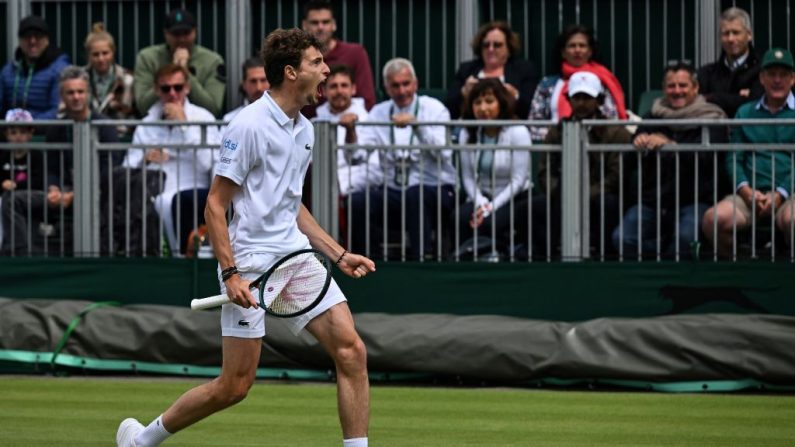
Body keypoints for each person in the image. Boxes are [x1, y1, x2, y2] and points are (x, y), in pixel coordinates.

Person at [116, 28, 374, 447]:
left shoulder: (305, 129)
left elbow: (292, 204)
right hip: (251, 263)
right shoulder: (248, 126)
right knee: (234, 386)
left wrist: (337, 253)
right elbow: (215, 206)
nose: (326, 69)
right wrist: (231, 273)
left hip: (296, 257)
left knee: (352, 352)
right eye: (316, 63)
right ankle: (142, 440)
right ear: (291, 73)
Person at [612, 61, 727, 258]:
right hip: (653, 200)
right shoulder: (652, 117)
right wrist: (637, 142)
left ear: (696, 87)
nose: (677, 91)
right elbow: (630, 159)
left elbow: (706, 159)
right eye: (671, 86)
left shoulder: (712, 118)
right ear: (664, 89)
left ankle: (669, 271)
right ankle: (656, 264)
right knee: (622, 238)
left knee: (684, 239)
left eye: (683, 85)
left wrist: (670, 147)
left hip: (694, 200)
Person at [349, 58, 457, 260]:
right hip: (394, 190)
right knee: (358, 201)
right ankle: (368, 260)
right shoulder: (379, 112)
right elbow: (358, 156)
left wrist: (418, 126)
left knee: (416, 194)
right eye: (395, 85)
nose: (401, 91)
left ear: (415, 84)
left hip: (435, 189)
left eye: (406, 84)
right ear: (386, 88)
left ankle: (420, 259)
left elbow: (444, 154)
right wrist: (350, 133)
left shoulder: (434, 108)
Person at [3, 67, 118, 255]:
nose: (76, 97)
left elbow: (108, 171)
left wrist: (75, 194)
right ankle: (21, 256)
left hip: (98, 194)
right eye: (70, 92)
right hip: (61, 194)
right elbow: (51, 169)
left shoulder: (104, 126)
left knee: (107, 196)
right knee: (13, 200)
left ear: (87, 93)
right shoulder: (56, 128)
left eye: (80, 92)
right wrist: (53, 188)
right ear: (62, 96)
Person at [525, 71, 630, 259]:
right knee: (535, 206)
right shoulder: (556, 132)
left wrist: (584, 195)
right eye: (576, 97)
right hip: (562, 193)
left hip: (599, 194)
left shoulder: (617, 133)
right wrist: (560, 192)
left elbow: (615, 177)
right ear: (569, 99)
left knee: (608, 203)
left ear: (599, 100)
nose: (581, 103)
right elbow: (545, 171)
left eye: (587, 98)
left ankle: (604, 257)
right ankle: (546, 259)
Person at [702, 48, 795, 257]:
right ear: (762, 78)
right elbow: (734, 157)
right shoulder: (745, 112)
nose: (777, 80)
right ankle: (743, 271)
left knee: (793, 221)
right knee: (713, 219)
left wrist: (781, 194)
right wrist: (746, 191)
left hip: (790, 195)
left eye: (783, 75)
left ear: (793, 79)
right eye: (771, 74)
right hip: (750, 196)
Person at [122, 64, 219, 255]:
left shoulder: (203, 117)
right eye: (166, 89)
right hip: (154, 190)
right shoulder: (146, 124)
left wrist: (185, 125)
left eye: (178, 87)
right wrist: (145, 160)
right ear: (157, 90)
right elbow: (127, 166)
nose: (173, 94)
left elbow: (209, 162)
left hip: (193, 188)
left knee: (176, 202)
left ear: (187, 88)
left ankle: (181, 256)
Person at [455, 78, 531, 257]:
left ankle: (497, 259)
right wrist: (481, 202)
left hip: (514, 196)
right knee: (460, 217)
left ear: (501, 103)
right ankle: (463, 261)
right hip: (482, 196)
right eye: (477, 102)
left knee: (491, 222)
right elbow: (467, 177)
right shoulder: (467, 133)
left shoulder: (518, 131)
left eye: (489, 101)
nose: (483, 108)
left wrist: (491, 208)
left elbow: (518, 180)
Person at [528, 24, 627, 141]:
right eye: (572, 46)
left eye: (582, 46)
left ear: (590, 52)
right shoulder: (547, 84)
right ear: (563, 52)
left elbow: (611, 119)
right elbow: (534, 124)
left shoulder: (601, 82)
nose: (577, 50)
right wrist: (561, 136)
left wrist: (583, 137)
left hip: (593, 147)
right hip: (555, 146)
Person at [134, 8, 225, 117]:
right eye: (176, 34)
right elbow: (143, 106)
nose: (181, 39)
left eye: (186, 33)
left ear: (195, 31)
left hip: (197, 124)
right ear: (166, 34)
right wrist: (170, 72)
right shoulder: (147, 57)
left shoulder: (212, 60)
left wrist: (185, 72)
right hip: (156, 123)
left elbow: (213, 108)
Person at [446, 21, 537, 119]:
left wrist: (515, 95)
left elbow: (533, 110)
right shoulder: (467, 69)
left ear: (509, 48)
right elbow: (448, 110)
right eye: (486, 45)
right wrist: (463, 92)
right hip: (472, 127)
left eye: (497, 45)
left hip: (509, 127)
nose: (491, 49)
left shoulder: (523, 69)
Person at [302, 0, 376, 114]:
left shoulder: (355, 53)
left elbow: (367, 101)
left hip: (349, 125)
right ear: (305, 25)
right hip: (305, 125)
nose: (320, 27)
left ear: (334, 25)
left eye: (325, 22)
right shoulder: (299, 57)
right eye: (314, 22)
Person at [316, 64, 379, 197]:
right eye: (333, 86)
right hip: (318, 195)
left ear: (353, 89)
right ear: (324, 91)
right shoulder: (314, 124)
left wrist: (340, 186)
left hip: (357, 197)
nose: (339, 91)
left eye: (344, 85)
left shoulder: (369, 121)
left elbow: (375, 170)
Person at [697, 7, 764, 118]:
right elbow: (698, 105)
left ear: (749, 35)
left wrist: (712, 97)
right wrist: (740, 98)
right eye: (726, 33)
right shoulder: (706, 73)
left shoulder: (762, 70)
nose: (731, 39)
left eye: (736, 33)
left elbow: (756, 105)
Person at [0, 15, 70, 119]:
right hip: (11, 131)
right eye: (27, 36)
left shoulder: (60, 69)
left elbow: (58, 111)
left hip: (47, 132)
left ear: (47, 40)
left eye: (38, 36)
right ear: (20, 40)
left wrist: (28, 123)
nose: (32, 41)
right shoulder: (7, 71)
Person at [0, 109, 45, 252]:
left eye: (23, 132)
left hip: (30, 198)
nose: (18, 137)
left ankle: (18, 248)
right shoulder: (2, 155)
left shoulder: (37, 156)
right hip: (4, 199)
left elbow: (39, 181)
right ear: (6, 134)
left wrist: (17, 185)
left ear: (31, 133)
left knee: (10, 199)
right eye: (13, 133)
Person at [82, 22, 136, 137]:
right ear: (88, 56)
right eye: (95, 54)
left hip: (118, 139)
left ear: (113, 52)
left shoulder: (128, 79)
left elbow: (134, 115)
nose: (101, 59)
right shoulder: (79, 79)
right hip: (84, 139)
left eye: (105, 53)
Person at [222, 57, 269, 123]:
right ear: (244, 84)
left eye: (263, 80)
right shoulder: (230, 120)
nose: (259, 87)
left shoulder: (283, 117)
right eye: (253, 81)